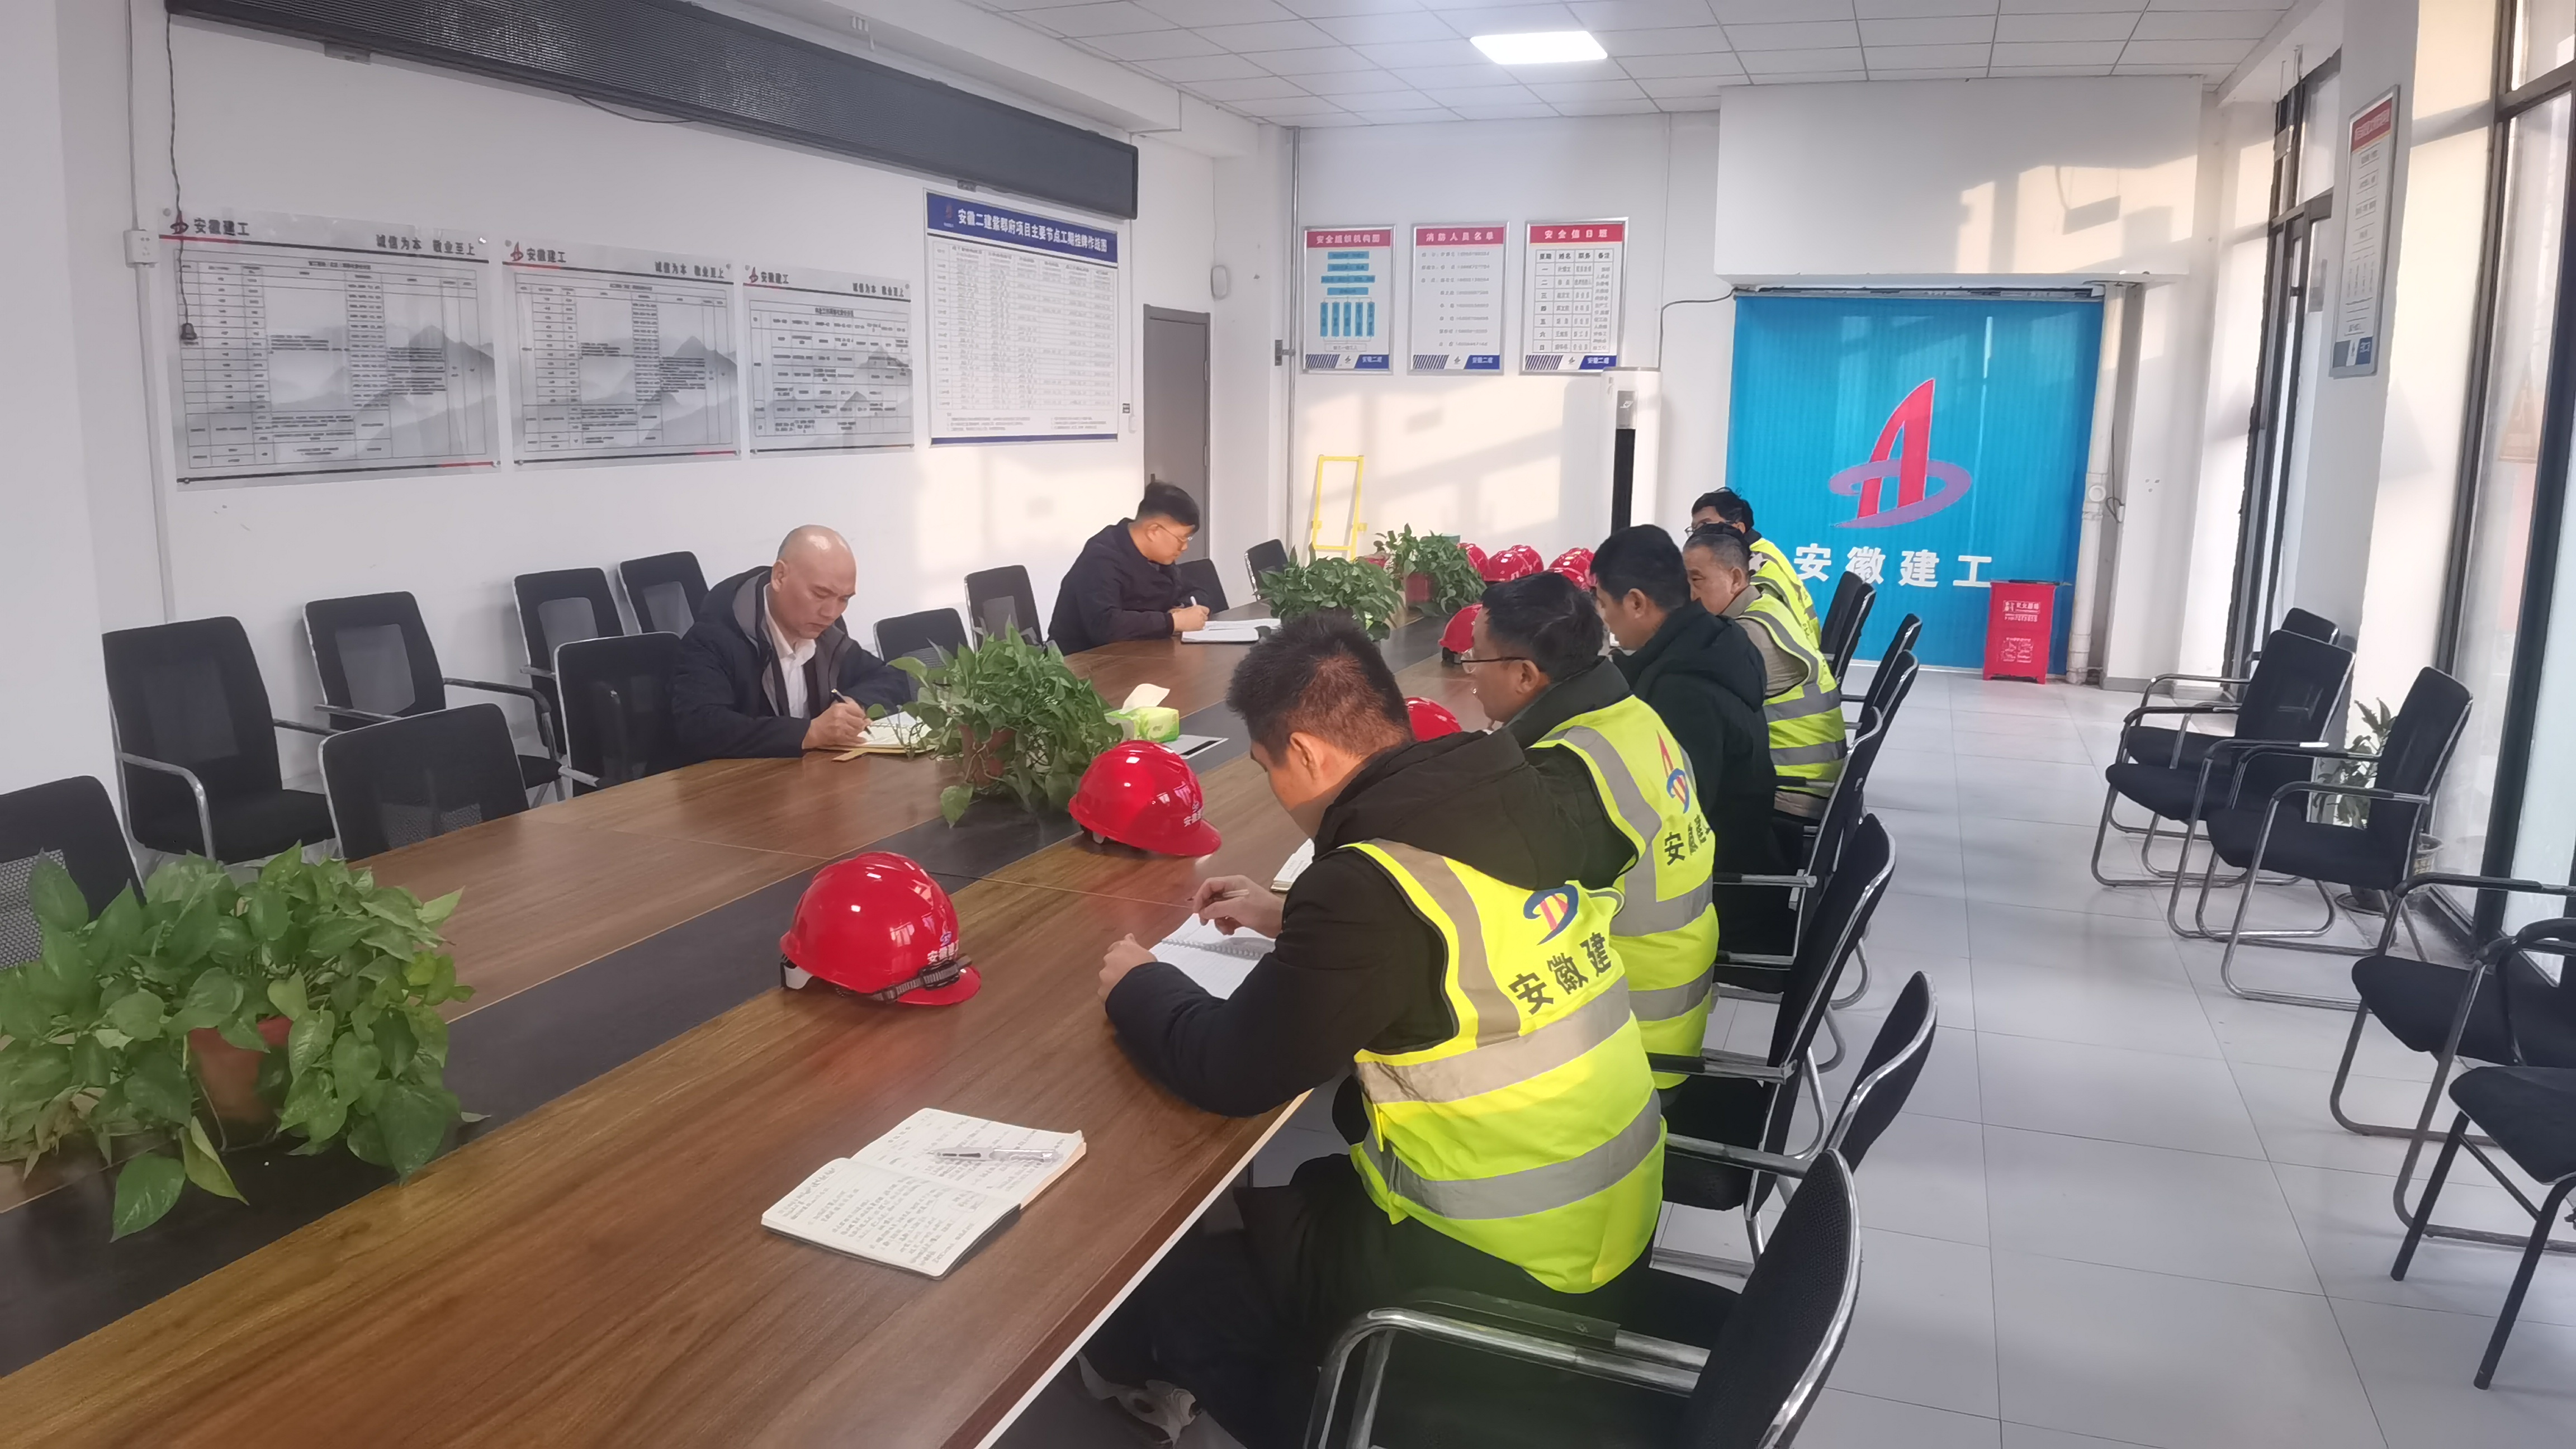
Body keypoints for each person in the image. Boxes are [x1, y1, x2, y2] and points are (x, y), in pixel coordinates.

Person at [1086, 613, 1664, 1449]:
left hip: (1504, 1273)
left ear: (1307, 753)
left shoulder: (1365, 886)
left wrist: (1141, 984)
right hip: (1610, 1223)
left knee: (1192, 1293)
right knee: (1306, 1191)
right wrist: (1293, 916)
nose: (1277, 793)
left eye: (1269, 769)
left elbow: (1231, 1071)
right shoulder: (1516, 794)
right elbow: (1454, 929)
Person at [1465, 572, 1721, 1090]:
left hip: (1628, 1050)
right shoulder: (1630, 716)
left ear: (1524, 675)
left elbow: (1477, 903)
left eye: (1477, 658)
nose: (1469, 671)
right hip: (1670, 1007)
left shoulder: (1567, 775)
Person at [1589, 525, 1791, 927]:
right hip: (1737, 858)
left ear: (1636, 603)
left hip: (1714, 897)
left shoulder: (1682, 692)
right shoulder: (1716, 639)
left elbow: (1675, 814)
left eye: (1604, 604)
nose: (1604, 619)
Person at [670, 525, 915, 761]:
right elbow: (700, 727)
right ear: (780, 577)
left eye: (844, 599)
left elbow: (889, 677)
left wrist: (855, 704)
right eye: (820, 594)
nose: (831, 613)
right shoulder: (714, 636)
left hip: (812, 775)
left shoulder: (827, 632)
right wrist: (810, 733)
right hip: (736, 783)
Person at [1685, 526, 1848, 821]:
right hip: (1808, 777)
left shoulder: (1748, 635)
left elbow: (1699, 708)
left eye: (1697, 580)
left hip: (1792, 792)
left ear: (1736, 578)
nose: (1688, 593)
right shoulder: (1765, 606)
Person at [1048, 481, 1212, 653]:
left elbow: (1195, 591)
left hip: (1137, 654)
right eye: (1182, 539)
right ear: (1154, 531)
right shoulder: (1101, 557)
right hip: (1082, 661)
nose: (1185, 547)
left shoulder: (1158, 558)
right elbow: (1105, 625)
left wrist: (1183, 609)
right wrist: (1172, 622)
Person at [1691, 487, 1820, 636]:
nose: (1698, 535)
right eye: (1694, 529)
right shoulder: (1761, 548)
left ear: (1738, 528)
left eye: (1705, 526)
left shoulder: (1754, 564)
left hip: (1783, 644)